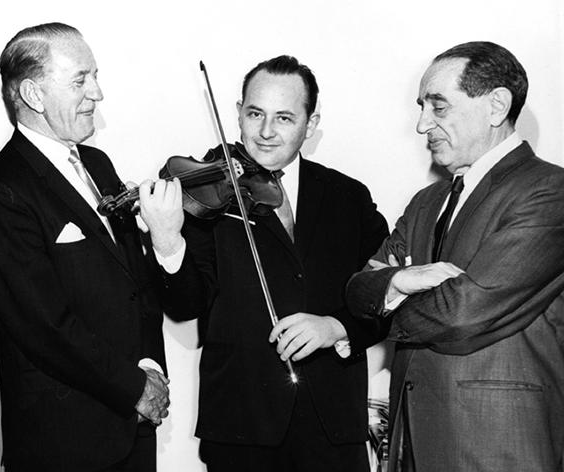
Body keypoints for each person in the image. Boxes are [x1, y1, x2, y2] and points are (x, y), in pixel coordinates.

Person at [158, 55, 389, 472]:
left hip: (333, 429)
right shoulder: (206, 190)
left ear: (311, 124)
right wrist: (166, 238)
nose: (265, 132)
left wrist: (337, 327)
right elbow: (184, 303)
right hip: (241, 430)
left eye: (283, 118)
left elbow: (388, 294)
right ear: (238, 114)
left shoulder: (348, 197)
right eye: (255, 114)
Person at [0, 22, 183, 471]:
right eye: (81, 80)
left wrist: (150, 370)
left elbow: (131, 287)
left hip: (132, 428)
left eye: (96, 76)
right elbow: (42, 323)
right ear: (33, 95)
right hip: (65, 442)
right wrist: (134, 387)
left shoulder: (98, 164)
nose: (98, 93)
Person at [346, 41, 564, 472]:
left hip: (498, 447)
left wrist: (388, 297)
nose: (422, 123)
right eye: (421, 106)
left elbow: (464, 312)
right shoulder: (427, 201)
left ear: (496, 105)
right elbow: (357, 290)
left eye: (438, 107)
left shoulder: (549, 192)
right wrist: (394, 283)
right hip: (414, 445)